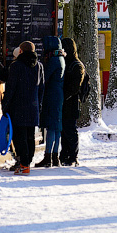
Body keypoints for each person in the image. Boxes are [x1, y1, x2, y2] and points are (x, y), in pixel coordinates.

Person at [2, 41, 45, 175]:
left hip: (18, 106)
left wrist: (5, 105)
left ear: (20, 51)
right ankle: (28, 162)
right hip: (33, 105)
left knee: (19, 137)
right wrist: (39, 104)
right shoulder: (39, 66)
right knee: (30, 136)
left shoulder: (16, 66)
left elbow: (11, 87)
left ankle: (23, 164)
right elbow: (42, 87)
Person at [35, 36, 65, 167]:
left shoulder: (53, 60)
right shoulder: (61, 58)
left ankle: (48, 157)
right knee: (57, 127)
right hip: (58, 94)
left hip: (52, 95)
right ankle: (55, 156)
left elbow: (44, 77)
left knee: (51, 126)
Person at [60, 37, 85, 166]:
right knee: (65, 130)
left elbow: (75, 87)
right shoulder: (71, 63)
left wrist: (63, 96)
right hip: (68, 102)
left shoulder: (75, 65)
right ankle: (65, 154)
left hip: (71, 102)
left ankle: (72, 156)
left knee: (70, 130)